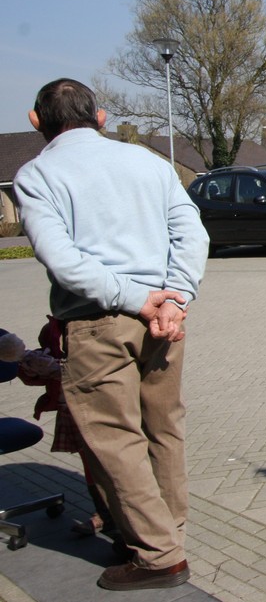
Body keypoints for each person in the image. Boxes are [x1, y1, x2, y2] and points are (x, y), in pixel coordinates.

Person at [14, 79, 209, 591]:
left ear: (36, 121)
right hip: (164, 321)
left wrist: (137, 298)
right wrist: (175, 298)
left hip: (100, 321)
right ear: (100, 117)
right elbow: (192, 233)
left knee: (116, 441)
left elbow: (62, 260)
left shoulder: (38, 175)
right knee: (164, 429)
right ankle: (166, 535)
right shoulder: (148, 162)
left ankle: (159, 556)